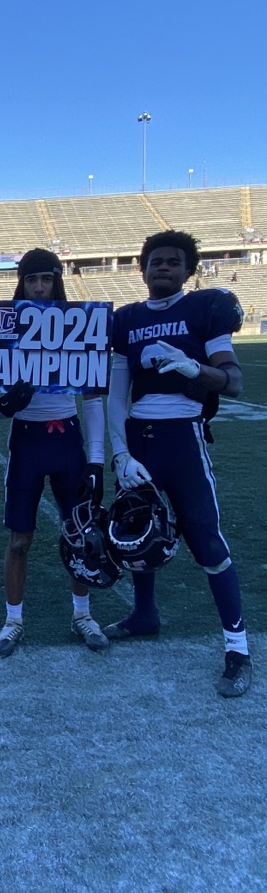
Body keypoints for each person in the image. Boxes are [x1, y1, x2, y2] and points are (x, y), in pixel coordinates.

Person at [106, 229, 250, 697]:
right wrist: (119, 451)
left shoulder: (203, 309)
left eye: (173, 262)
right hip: (139, 440)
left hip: (183, 439)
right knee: (135, 533)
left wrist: (195, 370)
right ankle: (144, 615)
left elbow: (232, 381)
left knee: (206, 539)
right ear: (142, 269)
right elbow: (114, 393)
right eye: (155, 261)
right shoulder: (125, 319)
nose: (163, 268)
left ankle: (237, 648)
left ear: (189, 270)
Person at [0, 249, 108, 657]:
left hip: (66, 439)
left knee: (81, 534)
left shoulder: (79, 327)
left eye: (46, 279)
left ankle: (82, 614)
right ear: (20, 283)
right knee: (19, 539)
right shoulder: (6, 329)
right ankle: (13, 619)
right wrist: (3, 402)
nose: (39, 288)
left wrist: (95, 458)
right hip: (26, 439)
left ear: (57, 281)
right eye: (31, 280)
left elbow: (91, 397)